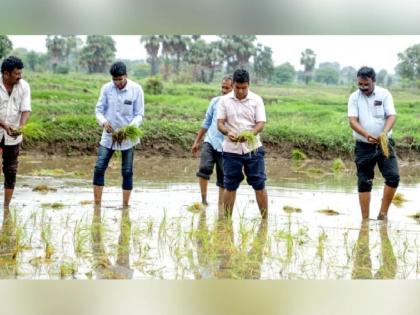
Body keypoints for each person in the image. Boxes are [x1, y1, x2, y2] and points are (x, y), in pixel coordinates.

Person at [348, 66, 400, 220]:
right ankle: (365, 220)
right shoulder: (354, 97)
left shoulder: (384, 94)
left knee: (393, 177)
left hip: (384, 143)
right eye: (360, 84)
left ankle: (382, 215)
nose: (363, 88)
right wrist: (366, 134)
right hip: (363, 145)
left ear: (374, 81)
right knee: (364, 181)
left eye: (366, 85)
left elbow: (391, 116)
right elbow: (352, 121)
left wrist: (384, 133)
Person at [217, 69, 268, 219]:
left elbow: (260, 123)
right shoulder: (224, 101)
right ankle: (226, 223)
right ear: (233, 85)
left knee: (259, 184)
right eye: (237, 87)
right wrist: (227, 132)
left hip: (253, 149)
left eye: (244, 88)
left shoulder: (256, 100)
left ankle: (264, 222)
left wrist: (250, 134)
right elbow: (220, 123)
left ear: (248, 85)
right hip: (231, 150)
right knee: (230, 185)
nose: (240, 91)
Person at [93, 61, 144, 207]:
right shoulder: (106, 89)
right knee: (99, 167)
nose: (118, 83)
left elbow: (139, 114)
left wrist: (129, 129)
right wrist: (103, 122)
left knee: (127, 171)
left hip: (128, 137)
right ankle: (97, 205)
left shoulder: (136, 89)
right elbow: (99, 110)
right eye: (115, 80)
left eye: (120, 79)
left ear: (126, 76)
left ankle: (125, 206)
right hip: (109, 135)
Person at [191, 76, 233, 210]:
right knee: (204, 169)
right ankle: (203, 201)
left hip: (226, 146)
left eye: (227, 88)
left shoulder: (236, 106)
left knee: (223, 177)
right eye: (223, 87)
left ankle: (220, 206)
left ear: (233, 89)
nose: (224, 90)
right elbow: (207, 122)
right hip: (210, 141)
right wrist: (197, 141)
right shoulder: (215, 102)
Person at [0, 56, 31, 210]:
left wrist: (21, 127)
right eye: (16, 74)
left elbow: (25, 109)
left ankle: (6, 207)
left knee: (11, 169)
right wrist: (4, 125)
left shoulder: (24, 86)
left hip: (13, 134)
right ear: (6, 73)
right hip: (2, 127)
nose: (20, 76)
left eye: (20, 73)